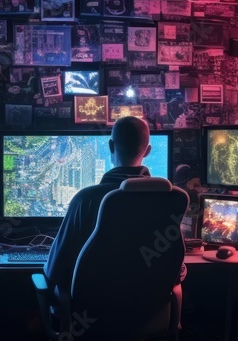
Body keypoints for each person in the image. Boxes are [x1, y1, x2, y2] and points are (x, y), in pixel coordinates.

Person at [44, 116, 185, 297]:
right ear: (147, 151)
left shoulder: (85, 199)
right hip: (148, 310)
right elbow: (176, 266)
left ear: (111, 146)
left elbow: (53, 269)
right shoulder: (168, 200)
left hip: (92, 311)